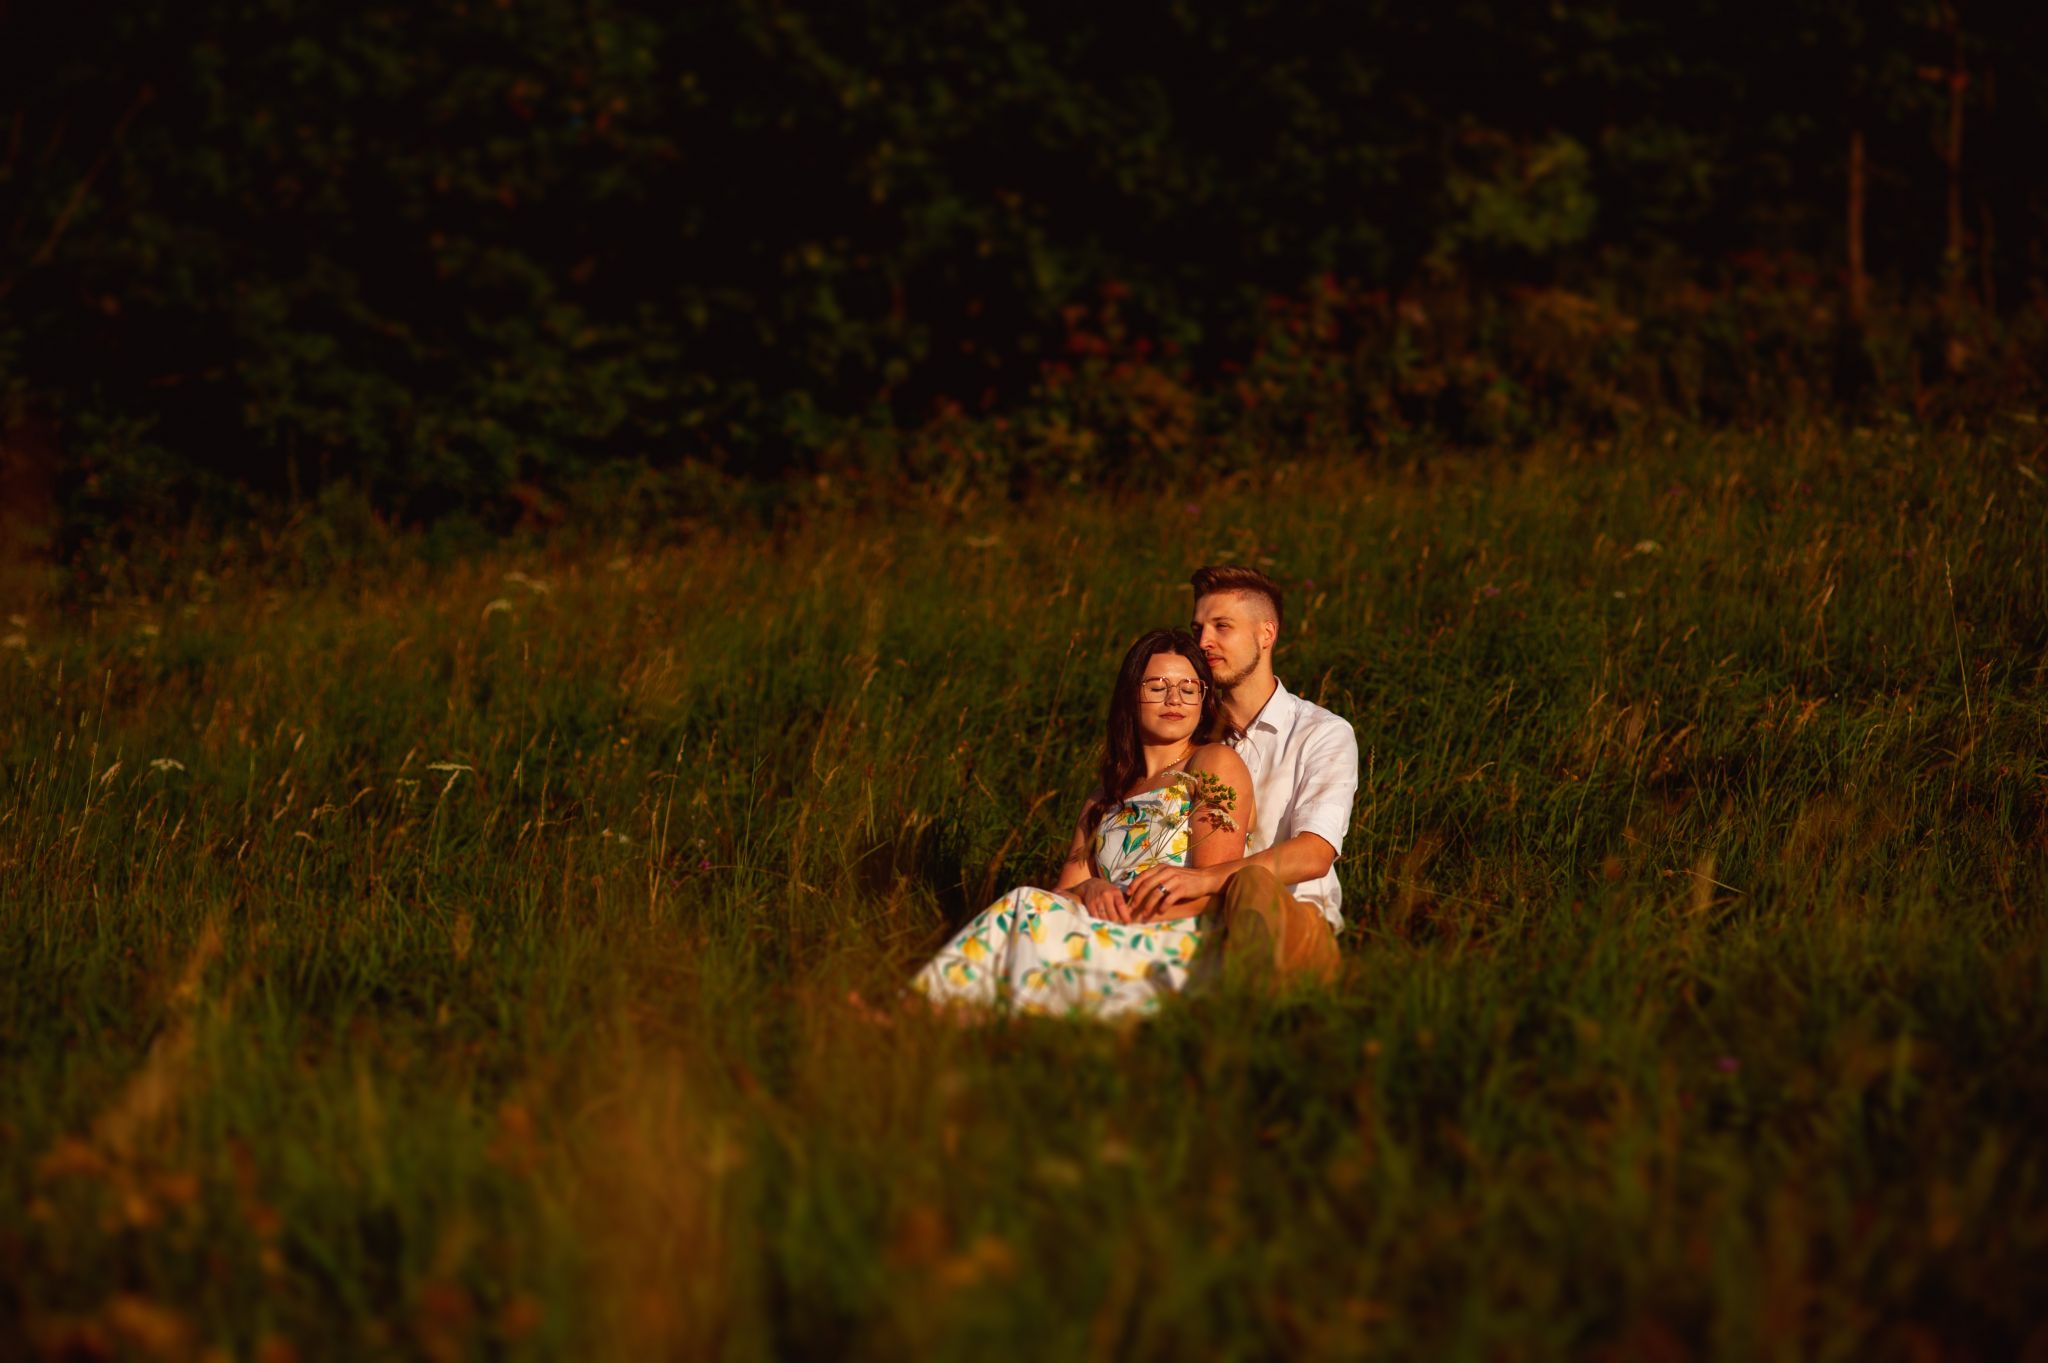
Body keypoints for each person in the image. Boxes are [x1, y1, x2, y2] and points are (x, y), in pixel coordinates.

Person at [909, 629, 1256, 1019]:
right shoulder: (1105, 795)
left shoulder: (1212, 763)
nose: (1174, 699)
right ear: (1130, 695)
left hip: (1173, 938)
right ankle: (941, 1013)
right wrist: (1091, 887)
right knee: (1030, 909)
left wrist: (1129, 915)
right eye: (1158, 687)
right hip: (1106, 925)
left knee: (1026, 907)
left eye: (1189, 689)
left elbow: (1215, 887)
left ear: (1204, 699)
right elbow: (1065, 893)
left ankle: (929, 1010)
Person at [1112, 565, 1359, 985]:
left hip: (1290, 923)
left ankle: (1246, 1008)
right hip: (1192, 921)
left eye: (1221, 627)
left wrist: (1203, 879)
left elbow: (1315, 853)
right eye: (1198, 628)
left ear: (1266, 634)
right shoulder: (1185, 733)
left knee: (1252, 885)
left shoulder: (1320, 732)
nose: (1203, 642)